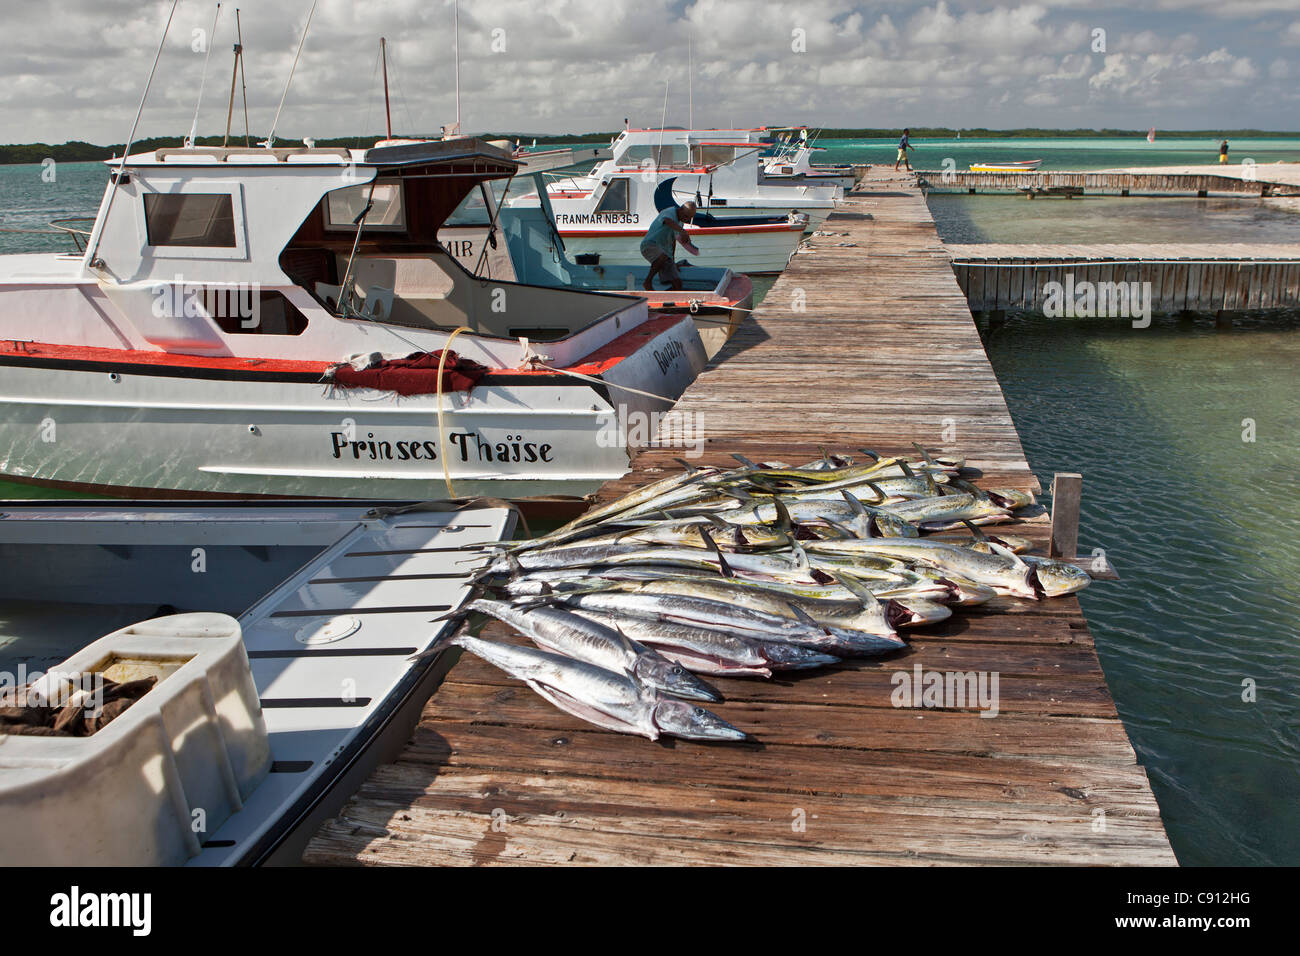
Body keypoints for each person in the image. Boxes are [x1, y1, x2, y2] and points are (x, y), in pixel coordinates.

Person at [640, 200, 698, 291]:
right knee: (662, 257)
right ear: (681, 209)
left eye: (689, 218)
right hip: (649, 245)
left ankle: (667, 299)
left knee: (678, 284)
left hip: (665, 254)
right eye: (685, 216)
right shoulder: (669, 212)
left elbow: (673, 241)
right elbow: (667, 221)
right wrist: (683, 231)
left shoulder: (680, 223)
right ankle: (647, 281)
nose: (686, 219)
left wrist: (673, 261)